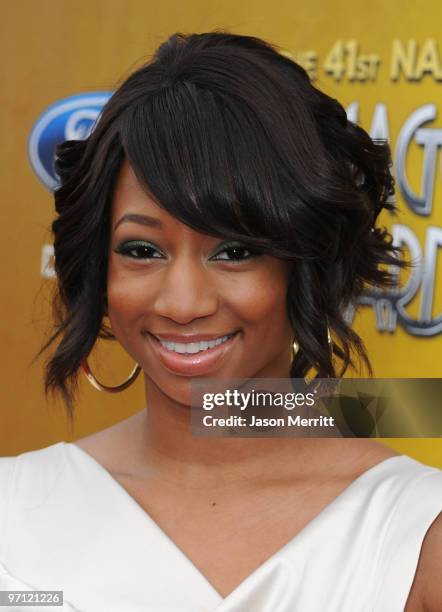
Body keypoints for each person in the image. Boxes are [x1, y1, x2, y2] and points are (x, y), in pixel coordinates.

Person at [1, 30, 441, 611]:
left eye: (235, 251)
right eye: (142, 250)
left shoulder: (415, 537)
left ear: (305, 263)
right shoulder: (15, 506)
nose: (183, 304)